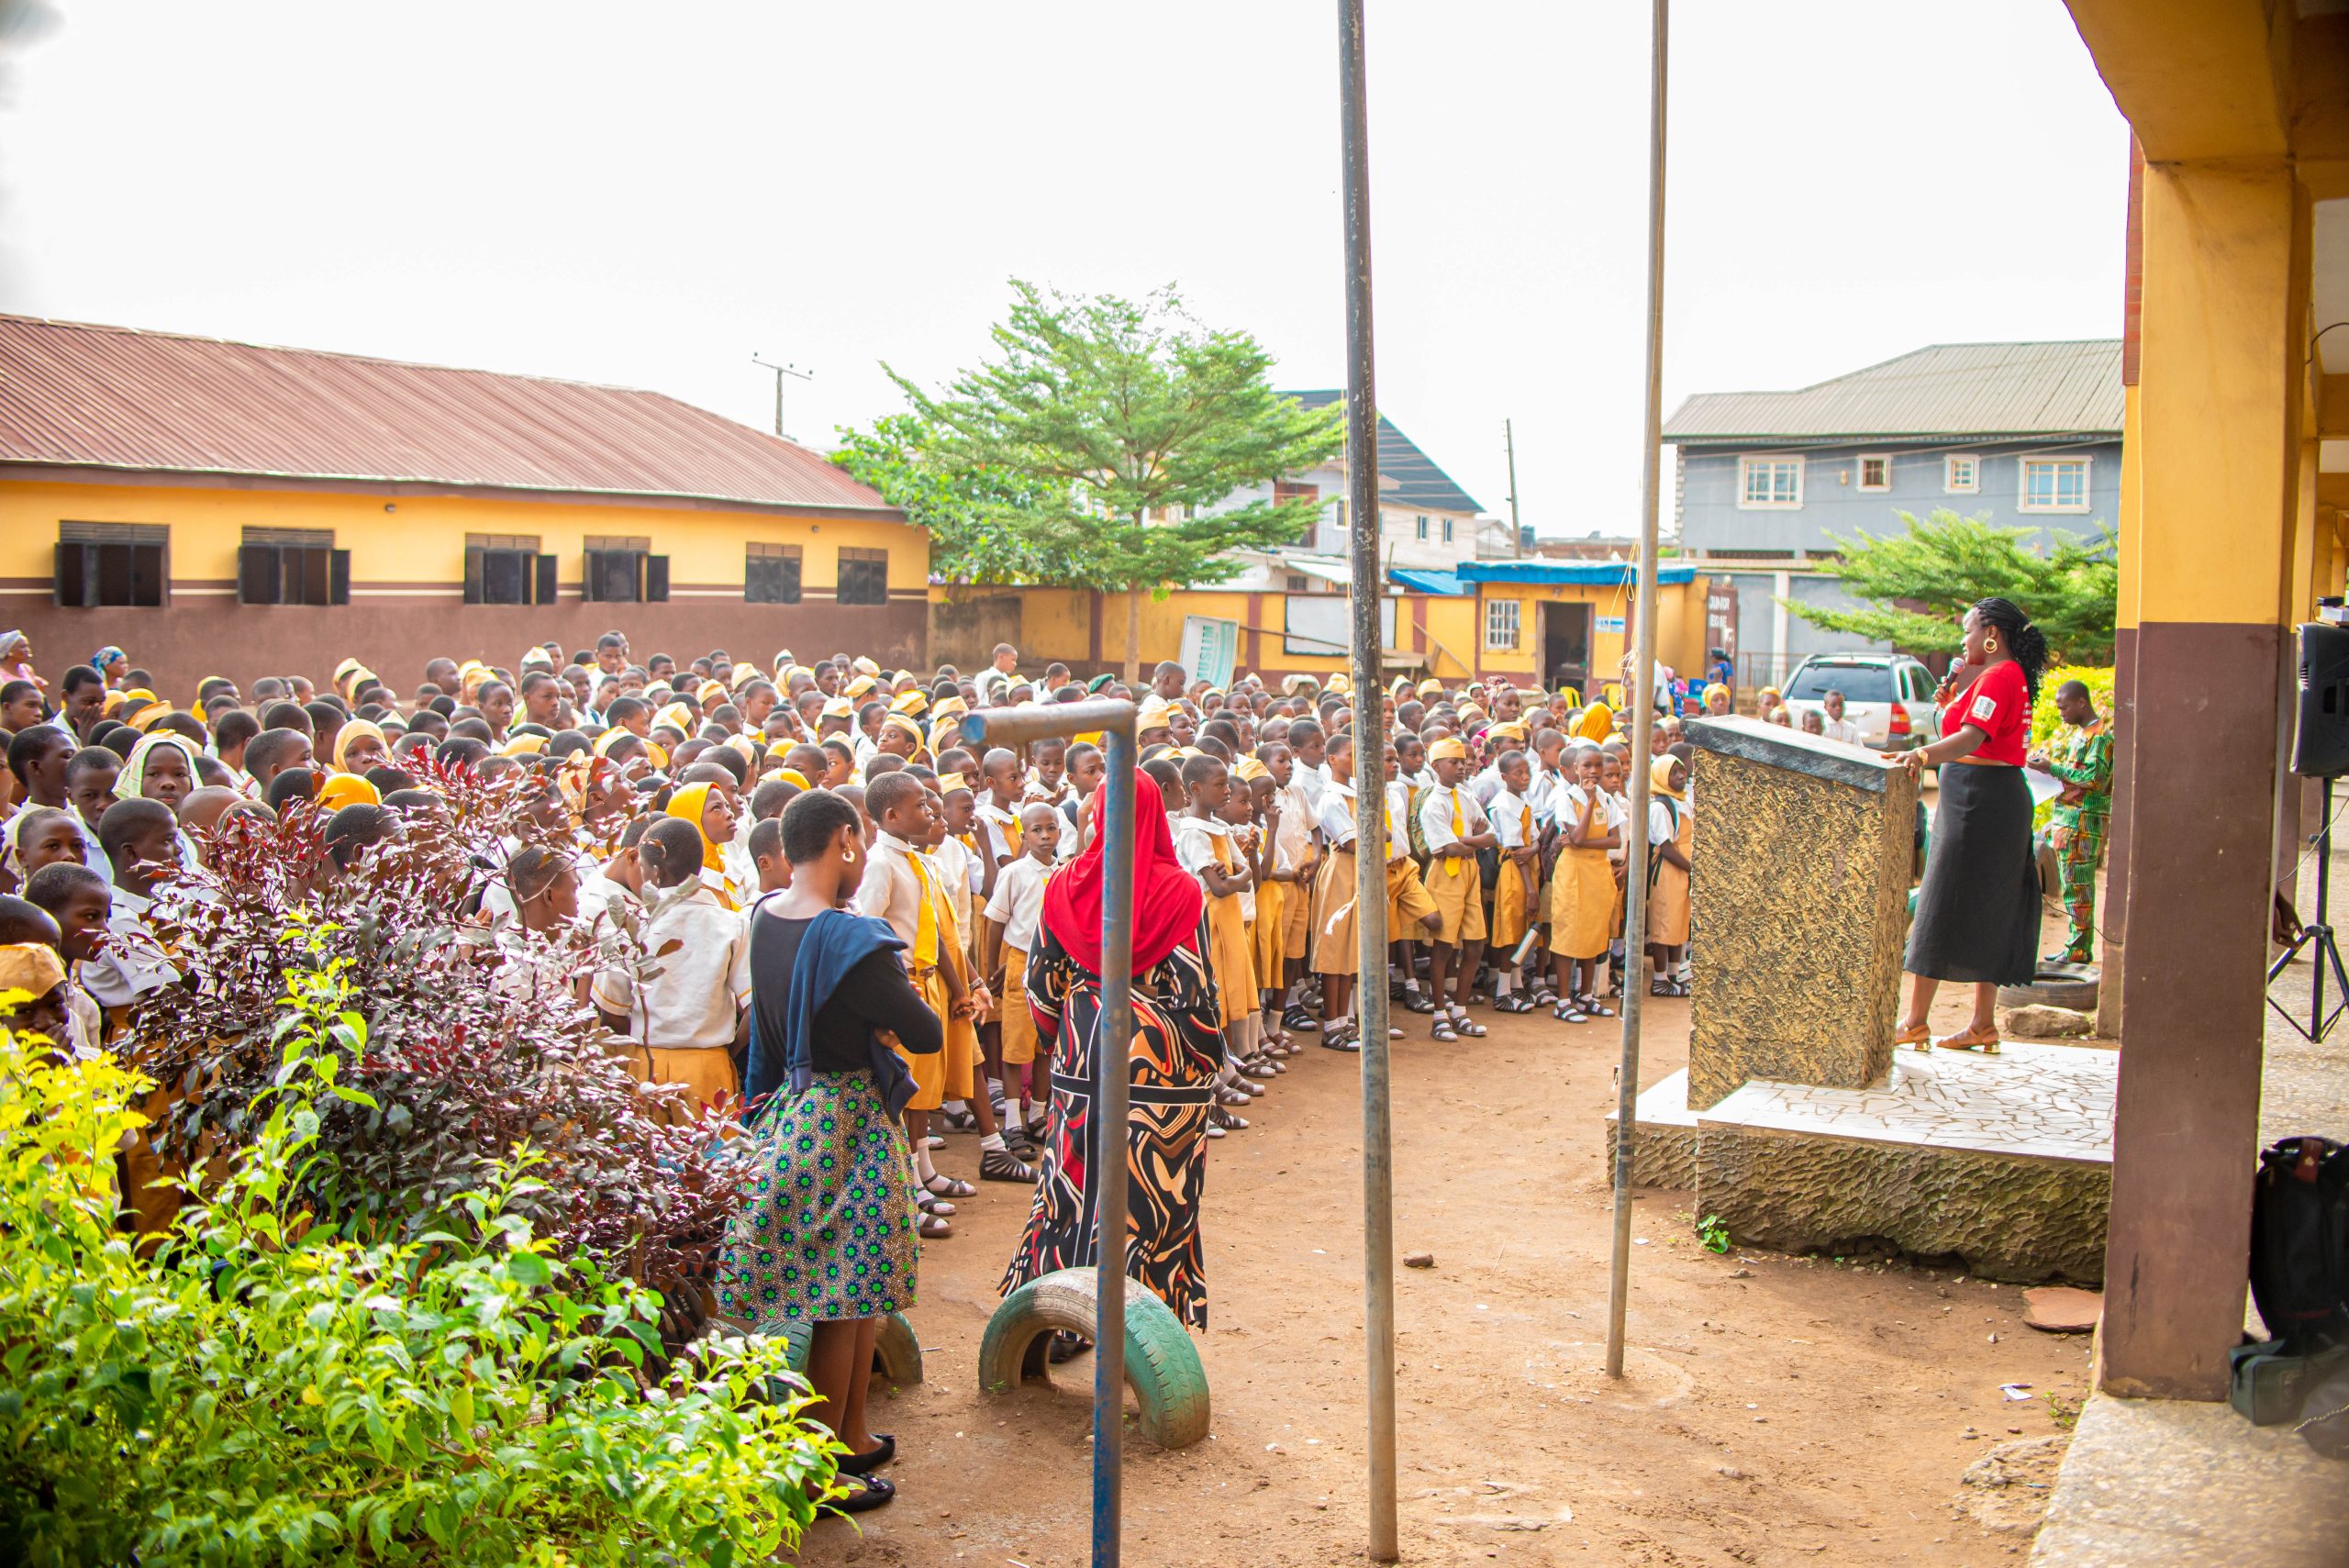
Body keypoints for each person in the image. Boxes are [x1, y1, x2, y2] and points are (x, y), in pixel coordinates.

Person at [715, 788, 932, 1516]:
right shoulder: (853, 937)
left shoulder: (764, 916)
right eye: (860, 838)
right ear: (844, 839)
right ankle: (821, 1469)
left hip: (789, 1113)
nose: (863, 852)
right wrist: (887, 1020)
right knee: (842, 1298)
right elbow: (925, 1031)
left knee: (859, 1286)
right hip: (847, 1124)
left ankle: (854, 1434)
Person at [1002, 766, 1221, 1333]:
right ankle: (1143, 1321)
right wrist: (1204, 1059)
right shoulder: (1181, 891)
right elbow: (1194, 992)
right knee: (1150, 1193)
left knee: (1072, 1182)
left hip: (1083, 1050)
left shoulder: (1064, 884)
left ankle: (1056, 1316)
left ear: (1099, 816)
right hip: (1157, 1066)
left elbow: (1040, 984)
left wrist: (1065, 1040)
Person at [1887, 597, 2048, 1052]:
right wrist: (1951, 705)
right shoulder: (1998, 677)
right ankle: (1980, 1025)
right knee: (1983, 904)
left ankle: (1917, 1022)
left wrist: (1919, 754)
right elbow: (1968, 733)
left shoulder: (1999, 676)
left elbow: (1973, 739)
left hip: (1980, 802)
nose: (1963, 640)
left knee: (1942, 899)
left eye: (1968, 629)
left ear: (1991, 633)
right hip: (1982, 798)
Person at [2030, 678, 2112, 966]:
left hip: (2083, 824)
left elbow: (2093, 778)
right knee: (2072, 888)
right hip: (2069, 823)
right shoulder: (2082, 735)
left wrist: (2052, 768)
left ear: (2081, 702)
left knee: (2079, 888)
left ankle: (2079, 949)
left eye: (2064, 708)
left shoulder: (2099, 738)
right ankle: (2076, 945)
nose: (2061, 713)